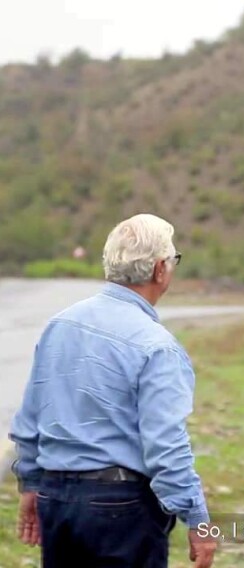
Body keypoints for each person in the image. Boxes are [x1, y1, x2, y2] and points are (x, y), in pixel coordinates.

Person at [8, 213, 217, 568]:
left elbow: (30, 419)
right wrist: (197, 520)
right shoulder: (157, 347)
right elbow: (165, 446)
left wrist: (31, 484)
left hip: (56, 501)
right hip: (121, 509)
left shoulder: (60, 326)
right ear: (160, 270)